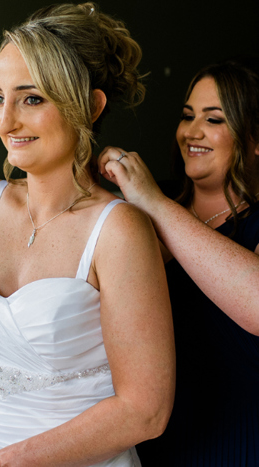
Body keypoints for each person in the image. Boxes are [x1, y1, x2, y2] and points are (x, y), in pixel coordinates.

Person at [0, 3, 176, 466]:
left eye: (31, 99)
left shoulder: (119, 231)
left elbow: (145, 411)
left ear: (91, 107)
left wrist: (8, 462)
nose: (5, 121)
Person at [98, 57, 259, 465]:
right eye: (188, 116)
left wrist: (151, 200)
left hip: (237, 444)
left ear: (255, 138)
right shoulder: (139, 218)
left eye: (215, 119)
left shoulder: (156, 206)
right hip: (151, 443)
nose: (192, 131)